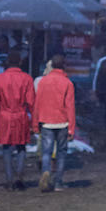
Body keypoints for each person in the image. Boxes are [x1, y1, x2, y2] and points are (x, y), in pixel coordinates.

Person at [0, 49, 35, 190]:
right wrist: (34, 122)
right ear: (20, 62)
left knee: (7, 148)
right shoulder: (27, 78)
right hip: (21, 115)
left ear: (7, 63)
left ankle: (9, 180)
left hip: (4, 116)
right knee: (21, 146)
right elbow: (32, 103)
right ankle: (19, 176)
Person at [33, 52, 76, 193]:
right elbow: (70, 107)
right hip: (62, 122)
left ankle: (46, 173)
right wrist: (72, 128)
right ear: (63, 66)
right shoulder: (67, 83)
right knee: (61, 154)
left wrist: (35, 124)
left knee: (46, 152)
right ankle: (58, 183)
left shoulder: (43, 82)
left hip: (46, 122)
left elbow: (37, 104)